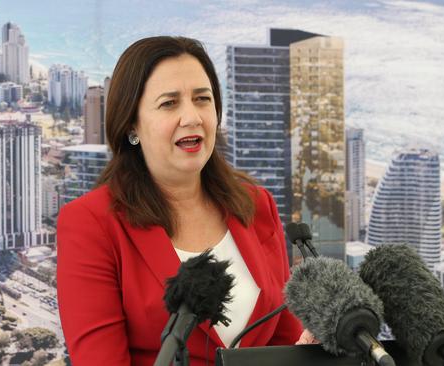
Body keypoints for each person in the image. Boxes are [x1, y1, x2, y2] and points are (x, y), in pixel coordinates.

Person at [57, 36, 311, 365]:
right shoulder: (90, 224)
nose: (191, 117)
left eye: (202, 99)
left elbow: (284, 340)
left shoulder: (255, 204)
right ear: (132, 123)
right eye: (169, 103)